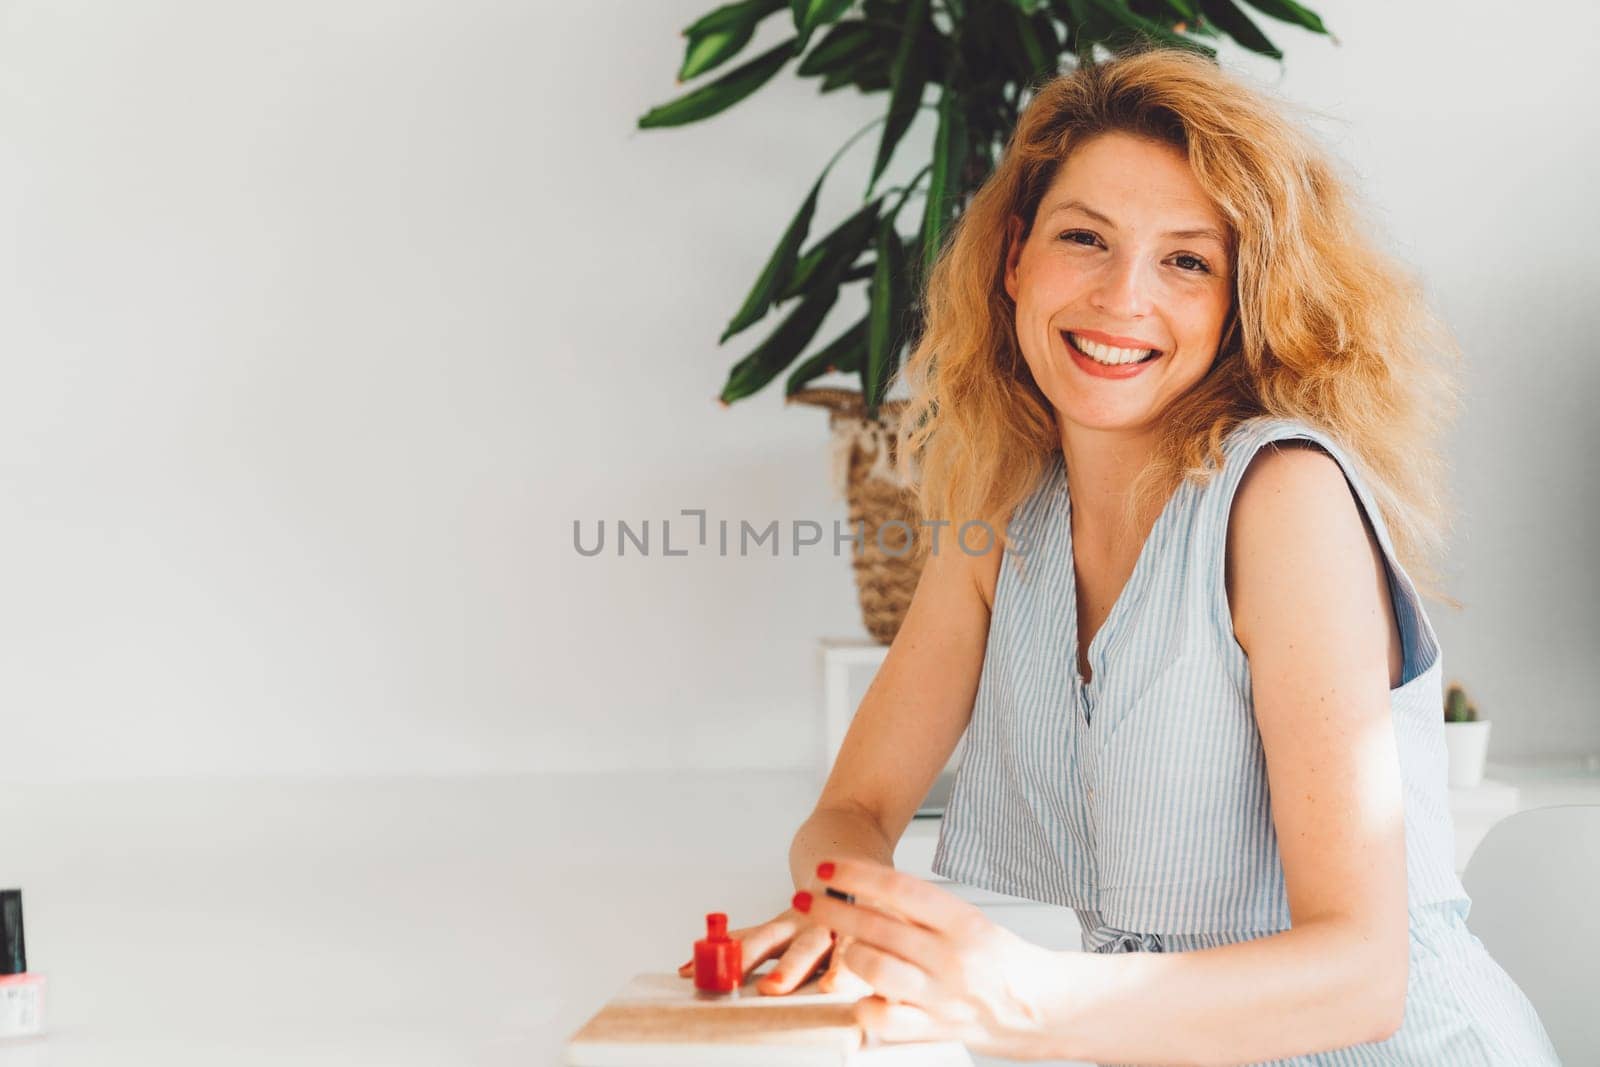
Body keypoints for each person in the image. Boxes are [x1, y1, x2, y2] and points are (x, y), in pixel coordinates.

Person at [677, 47, 1561, 1064]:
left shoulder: (1283, 500)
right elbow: (854, 807)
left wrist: (1021, 994)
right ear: (1015, 258)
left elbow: (1362, 975)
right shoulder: (1003, 518)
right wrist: (857, 911)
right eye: (1083, 238)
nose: (1119, 296)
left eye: (1186, 259)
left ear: (1243, 299)